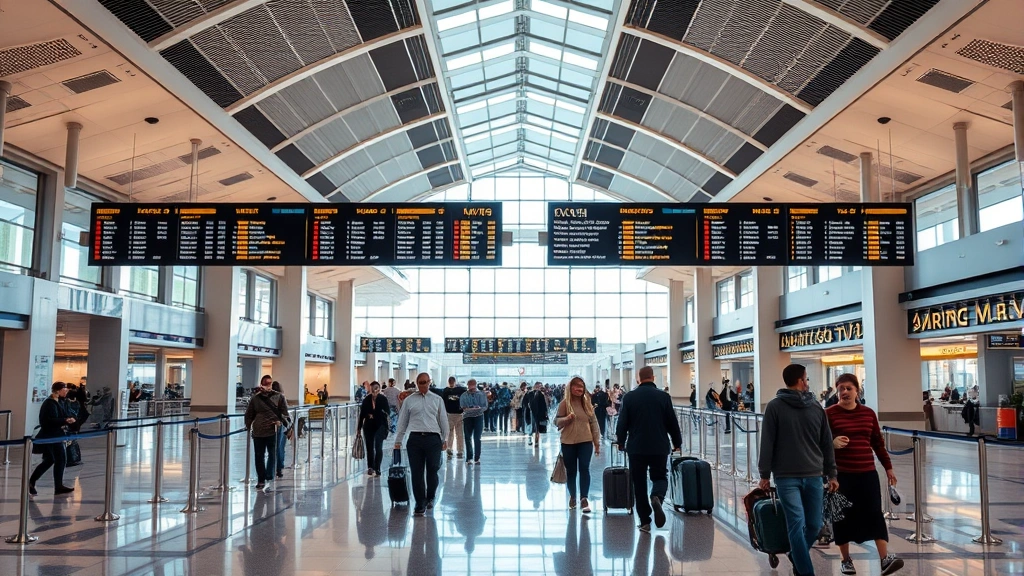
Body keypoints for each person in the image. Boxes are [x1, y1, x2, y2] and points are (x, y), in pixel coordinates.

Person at [758, 363, 839, 576]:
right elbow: (767, 442)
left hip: (813, 474)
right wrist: (764, 474)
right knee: (796, 523)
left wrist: (832, 473)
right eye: (807, 378)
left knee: (814, 524)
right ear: (801, 381)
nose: (807, 382)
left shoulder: (815, 408)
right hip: (786, 477)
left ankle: (796, 553)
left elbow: (826, 442)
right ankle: (806, 572)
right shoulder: (775, 407)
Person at [826, 374, 904, 576]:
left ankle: (884, 559)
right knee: (841, 516)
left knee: (874, 514)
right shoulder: (829, 414)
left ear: (857, 392)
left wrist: (888, 468)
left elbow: (877, 443)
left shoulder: (868, 414)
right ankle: (846, 560)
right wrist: (832, 442)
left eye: (849, 388)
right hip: (841, 476)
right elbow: (819, 441)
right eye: (841, 388)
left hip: (867, 474)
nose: (844, 392)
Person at [615, 366, 682, 532]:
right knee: (659, 476)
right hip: (659, 445)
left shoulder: (629, 397)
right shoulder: (663, 397)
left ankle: (645, 521)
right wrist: (677, 442)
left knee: (638, 483)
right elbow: (671, 422)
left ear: (639, 378)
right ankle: (657, 496)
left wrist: (621, 441)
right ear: (653, 377)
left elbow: (622, 422)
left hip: (636, 447)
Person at [394, 372, 448, 516]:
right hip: (415, 439)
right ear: (417, 384)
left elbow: (443, 420)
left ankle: (430, 496)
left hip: (433, 440)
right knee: (416, 473)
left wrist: (445, 438)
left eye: (425, 382)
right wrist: (398, 441)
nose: (423, 385)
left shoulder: (437, 400)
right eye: (420, 382)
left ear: (430, 382)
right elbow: (402, 422)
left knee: (432, 470)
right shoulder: (409, 401)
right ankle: (420, 502)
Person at [555, 377, 601, 513]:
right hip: (568, 442)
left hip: (586, 441)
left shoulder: (587, 403)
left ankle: (584, 498)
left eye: (581, 386)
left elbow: (594, 423)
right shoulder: (564, 404)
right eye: (576, 386)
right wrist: (566, 419)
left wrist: (596, 442)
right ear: (570, 388)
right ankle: (573, 496)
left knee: (584, 469)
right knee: (571, 471)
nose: (579, 389)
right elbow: (556, 422)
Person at [30, 382, 77, 496]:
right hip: (52, 436)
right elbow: (49, 420)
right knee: (60, 459)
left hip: (55, 434)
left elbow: (63, 415)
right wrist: (65, 421)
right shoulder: (49, 403)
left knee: (50, 460)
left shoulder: (59, 402)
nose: (66, 392)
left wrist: (69, 419)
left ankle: (32, 481)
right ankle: (58, 486)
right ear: (58, 390)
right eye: (64, 390)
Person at [245, 375, 290, 490]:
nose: (267, 385)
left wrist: (280, 422)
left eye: (269, 383)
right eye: (265, 383)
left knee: (272, 454)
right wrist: (248, 426)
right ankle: (261, 478)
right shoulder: (255, 398)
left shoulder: (279, 397)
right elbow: (249, 414)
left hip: (273, 430)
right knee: (259, 455)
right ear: (261, 384)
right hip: (259, 431)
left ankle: (269, 475)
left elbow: (285, 413)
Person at [358, 381, 391, 477]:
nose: (374, 390)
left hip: (380, 425)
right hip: (368, 426)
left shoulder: (383, 399)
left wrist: (376, 414)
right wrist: (358, 429)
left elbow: (387, 412)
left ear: (379, 389)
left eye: (376, 388)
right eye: (372, 388)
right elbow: (362, 415)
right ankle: (370, 467)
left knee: (378, 447)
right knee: (369, 447)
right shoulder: (366, 399)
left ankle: (377, 468)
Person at [460, 379, 488, 465]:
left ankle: (477, 457)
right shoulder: (464, 395)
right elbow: (463, 406)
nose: (470, 387)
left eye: (471, 385)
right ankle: (469, 457)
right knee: (467, 437)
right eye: (469, 385)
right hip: (467, 417)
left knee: (477, 438)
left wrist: (478, 409)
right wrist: (469, 409)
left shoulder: (481, 394)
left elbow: (485, 406)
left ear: (475, 385)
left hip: (478, 417)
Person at [442, 376, 467, 459]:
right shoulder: (461, 390)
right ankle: (460, 451)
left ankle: (449, 448)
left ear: (448, 382)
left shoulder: (445, 391)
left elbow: (444, 402)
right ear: (455, 381)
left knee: (450, 433)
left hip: (450, 414)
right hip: (459, 414)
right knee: (459, 434)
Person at [271, 381, 288, 478]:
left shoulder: (267, 397)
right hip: (280, 423)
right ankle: (279, 467)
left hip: (269, 424)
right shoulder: (282, 397)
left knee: (272, 446)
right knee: (280, 446)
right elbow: (285, 412)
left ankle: (272, 467)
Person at [526, 382, 548, 446]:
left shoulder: (541, 394)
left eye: (540, 387)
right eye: (538, 386)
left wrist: (545, 412)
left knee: (537, 427)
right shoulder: (529, 394)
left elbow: (544, 404)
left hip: (538, 413)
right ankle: (530, 439)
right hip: (531, 412)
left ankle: (536, 441)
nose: (539, 388)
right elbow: (526, 403)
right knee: (531, 426)